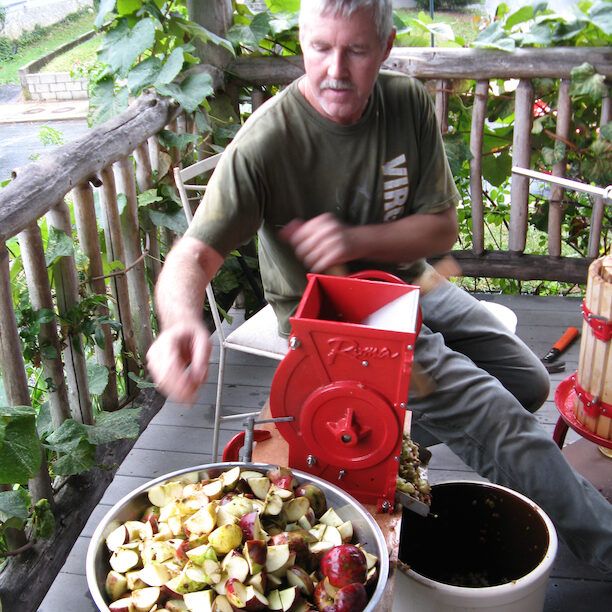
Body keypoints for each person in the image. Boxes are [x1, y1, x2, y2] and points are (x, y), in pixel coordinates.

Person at [147, 0, 612, 573]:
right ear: (302, 42)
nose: (335, 69)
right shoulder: (266, 142)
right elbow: (192, 254)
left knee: (527, 381)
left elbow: (442, 228)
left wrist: (349, 238)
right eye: (320, 48)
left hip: (409, 279)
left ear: (385, 48)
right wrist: (180, 324)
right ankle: (605, 543)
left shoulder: (405, 102)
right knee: (496, 416)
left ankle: (380, 444)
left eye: (357, 49)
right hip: (331, 320)